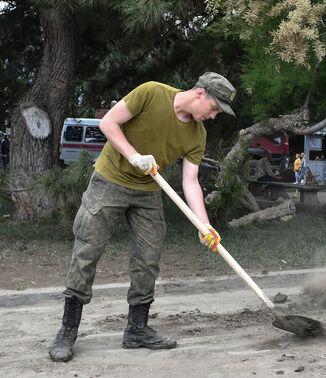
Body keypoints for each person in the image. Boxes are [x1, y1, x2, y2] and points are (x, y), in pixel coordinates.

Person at [48, 72, 236, 362]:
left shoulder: (197, 135)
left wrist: (204, 225)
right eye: (214, 109)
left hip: (148, 191)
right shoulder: (151, 93)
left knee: (148, 258)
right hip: (109, 180)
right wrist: (134, 155)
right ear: (200, 94)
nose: (213, 116)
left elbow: (191, 182)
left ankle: (137, 329)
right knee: (87, 251)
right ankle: (67, 330)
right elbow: (108, 122)